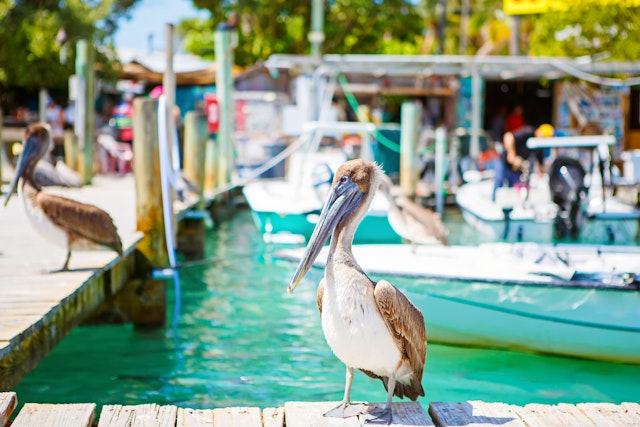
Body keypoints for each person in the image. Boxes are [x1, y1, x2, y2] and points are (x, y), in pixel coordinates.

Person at [493, 123, 554, 201]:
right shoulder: (528, 132)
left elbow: (540, 163)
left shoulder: (539, 146)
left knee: (513, 191)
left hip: (516, 167)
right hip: (504, 162)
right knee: (499, 184)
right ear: (539, 133)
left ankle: (509, 207)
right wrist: (511, 153)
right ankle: (494, 204)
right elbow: (508, 136)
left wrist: (542, 176)